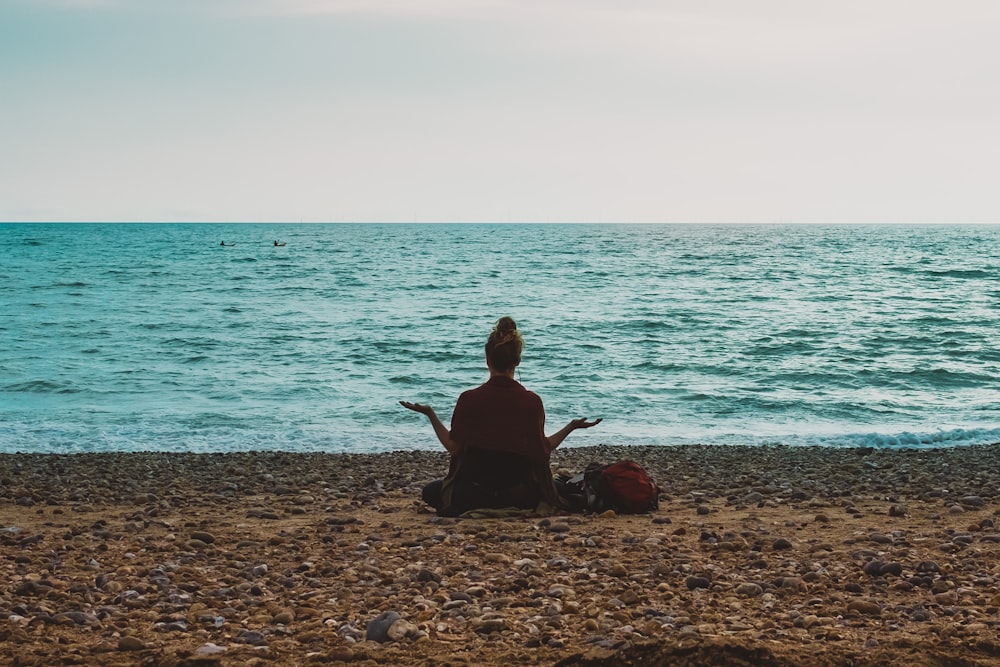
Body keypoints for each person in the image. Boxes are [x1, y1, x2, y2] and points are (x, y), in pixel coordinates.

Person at [400, 316, 601, 516]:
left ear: (487, 360)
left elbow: (454, 448)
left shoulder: (469, 399)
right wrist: (570, 427)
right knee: (559, 486)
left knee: (431, 492)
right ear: (518, 360)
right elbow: (542, 451)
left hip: (473, 493)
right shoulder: (531, 401)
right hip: (519, 495)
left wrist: (431, 415)